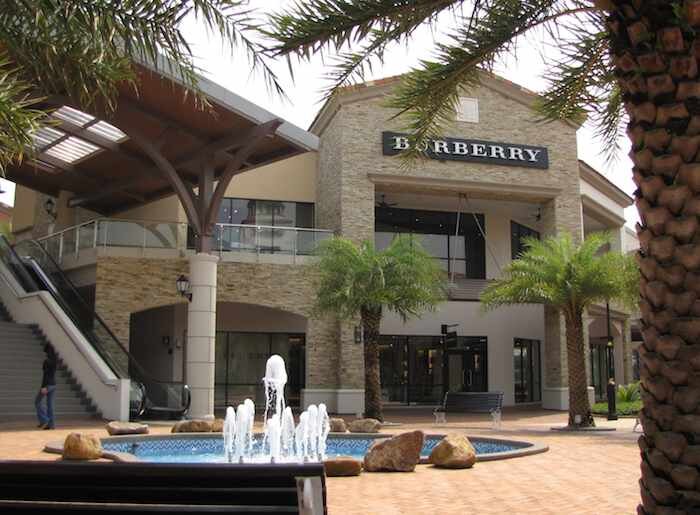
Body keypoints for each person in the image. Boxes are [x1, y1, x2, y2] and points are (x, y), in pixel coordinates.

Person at [35, 344, 57, 430]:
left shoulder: (46, 361)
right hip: (53, 384)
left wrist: (43, 387)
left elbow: (45, 375)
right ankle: (51, 425)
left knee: (37, 402)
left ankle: (44, 420)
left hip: (47, 385)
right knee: (50, 405)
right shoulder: (55, 361)